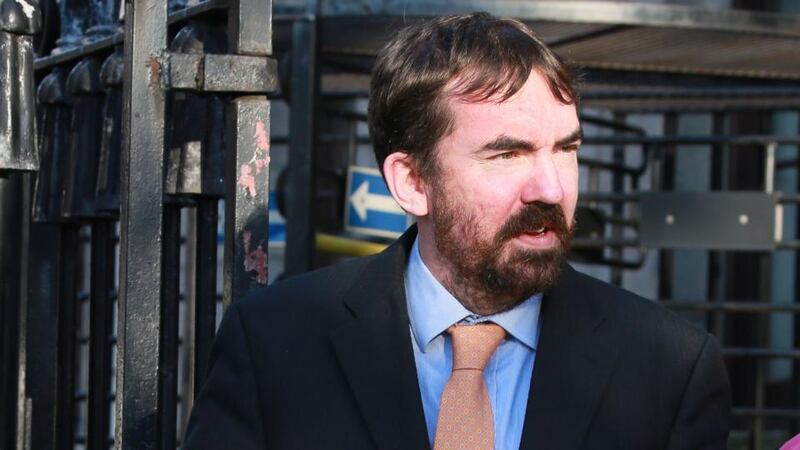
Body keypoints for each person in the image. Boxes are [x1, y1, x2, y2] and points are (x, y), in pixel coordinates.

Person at [183, 12, 731, 450]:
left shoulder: (667, 368)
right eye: (507, 153)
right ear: (412, 181)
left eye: (566, 150)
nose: (551, 188)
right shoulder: (277, 343)